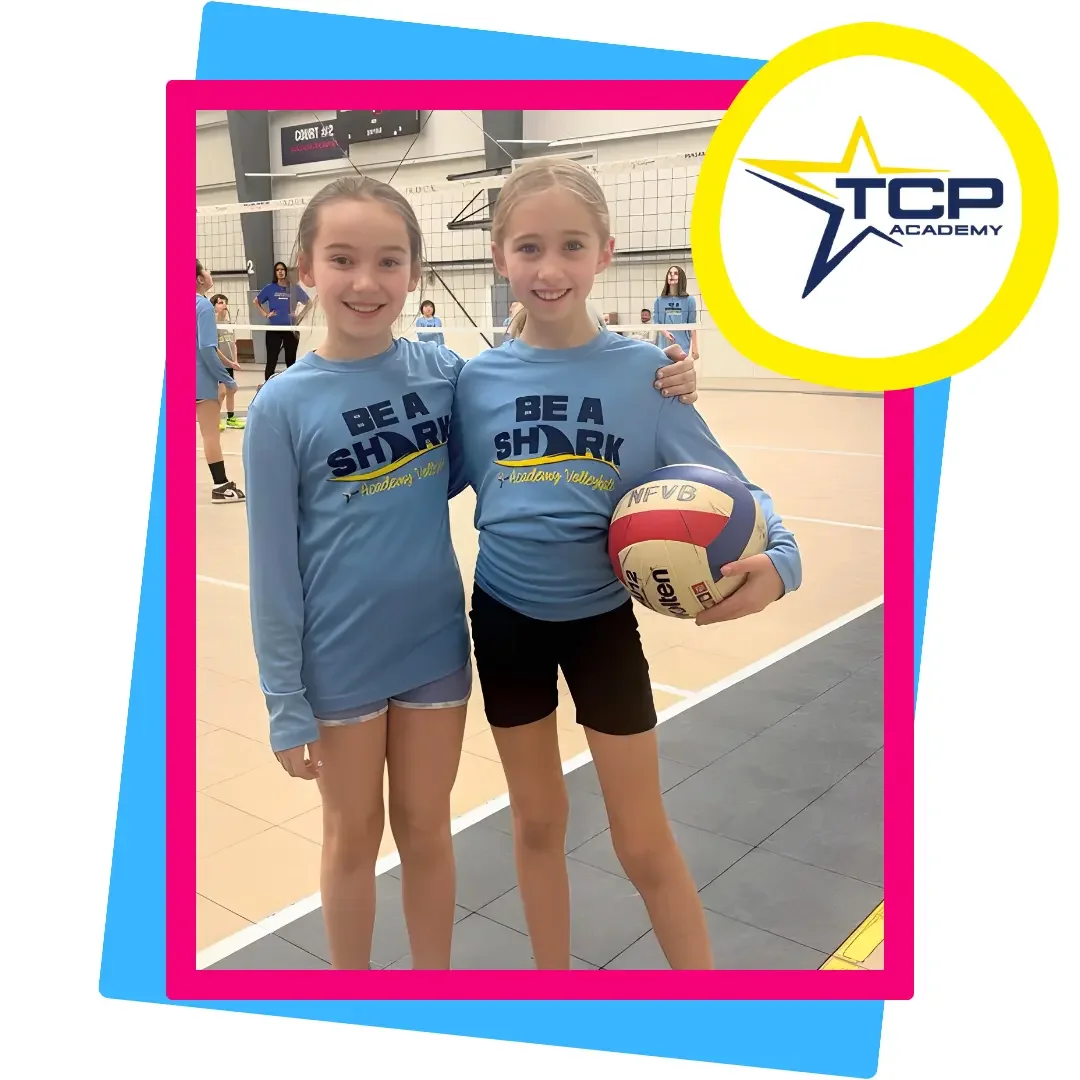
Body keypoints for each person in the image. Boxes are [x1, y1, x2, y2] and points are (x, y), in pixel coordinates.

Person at [241, 175, 697, 971]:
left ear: (414, 272)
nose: (366, 281)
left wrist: (669, 381)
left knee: (427, 830)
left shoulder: (443, 375)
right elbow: (272, 568)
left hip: (437, 648)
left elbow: (502, 436)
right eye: (342, 259)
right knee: (353, 837)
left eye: (388, 261)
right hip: (338, 659)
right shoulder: (281, 408)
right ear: (305, 268)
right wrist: (284, 698)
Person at [451, 158, 802, 970]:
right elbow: (417, 481)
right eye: (529, 247)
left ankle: (702, 1010)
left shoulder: (647, 377)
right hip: (504, 621)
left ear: (605, 253)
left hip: (601, 625)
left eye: (571, 246)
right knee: (537, 823)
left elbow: (731, 486)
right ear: (499, 257)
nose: (550, 268)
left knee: (642, 839)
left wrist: (782, 560)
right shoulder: (475, 381)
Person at [196, 262, 244, 504]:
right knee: (210, 434)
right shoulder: (203, 305)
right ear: (199, 278)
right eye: (205, 270)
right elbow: (206, 348)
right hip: (200, 381)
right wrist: (226, 379)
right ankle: (221, 486)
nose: (209, 273)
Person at [253, 261, 309, 382]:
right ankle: (268, 385)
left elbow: (309, 303)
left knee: (291, 360)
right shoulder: (270, 288)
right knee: (271, 360)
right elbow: (256, 301)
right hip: (274, 329)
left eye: (282, 269)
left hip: (291, 329)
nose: (280, 271)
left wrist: (299, 316)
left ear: (286, 272)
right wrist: (265, 314)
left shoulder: (294, 289)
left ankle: (292, 384)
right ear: (275, 273)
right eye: (278, 270)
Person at [210, 294, 245, 431]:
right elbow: (215, 348)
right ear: (213, 307)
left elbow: (233, 344)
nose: (224, 305)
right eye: (220, 303)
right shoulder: (212, 325)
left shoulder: (229, 325)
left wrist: (235, 360)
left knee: (231, 390)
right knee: (222, 392)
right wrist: (229, 362)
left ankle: (231, 418)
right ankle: (215, 419)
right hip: (219, 364)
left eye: (225, 303)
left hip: (230, 363)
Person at [653, 265, 699, 364]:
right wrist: (665, 332)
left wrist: (695, 347)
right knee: (665, 371)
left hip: (682, 345)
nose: (672, 275)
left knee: (680, 371)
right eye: (670, 273)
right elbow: (656, 322)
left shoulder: (689, 300)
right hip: (664, 345)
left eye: (676, 273)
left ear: (681, 278)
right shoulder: (659, 301)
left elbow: (692, 325)